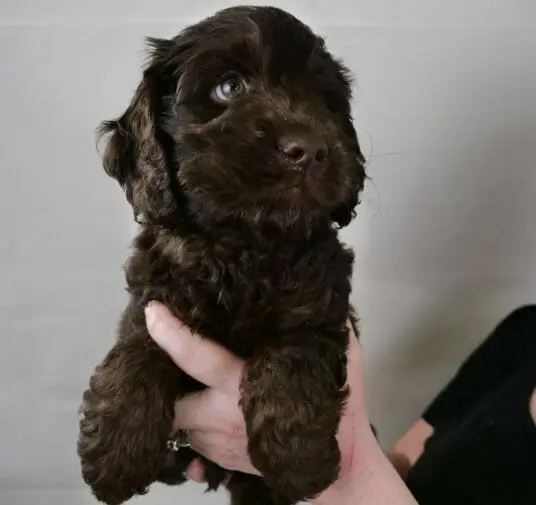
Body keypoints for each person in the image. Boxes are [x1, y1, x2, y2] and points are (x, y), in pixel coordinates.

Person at [144, 302, 536, 504]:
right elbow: (403, 466)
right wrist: (267, 457)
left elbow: (359, 477)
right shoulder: (526, 332)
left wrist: (333, 468)